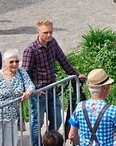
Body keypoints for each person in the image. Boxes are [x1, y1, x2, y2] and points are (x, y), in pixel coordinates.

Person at [23, 18, 85, 146]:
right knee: (36, 124)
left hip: (52, 89)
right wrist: (31, 89)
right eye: (45, 32)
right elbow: (25, 73)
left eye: (50, 32)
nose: (49, 35)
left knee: (57, 120)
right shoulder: (31, 50)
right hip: (38, 93)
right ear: (38, 32)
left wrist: (76, 75)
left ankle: (49, 142)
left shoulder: (52, 43)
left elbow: (63, 60)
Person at [68, 68, 116, 146]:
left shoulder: (80, 107)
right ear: (104, 88)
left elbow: (72, 136)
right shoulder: (112, 110)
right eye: (109, 85)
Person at [0, 49, 34, 146]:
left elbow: (30, 85)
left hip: (13, 116)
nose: (15, 64)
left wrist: (28, 92)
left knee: (11, 143)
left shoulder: (21, 72)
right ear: (5, 63)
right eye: (11, 62)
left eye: (17, 61)